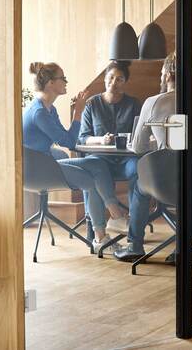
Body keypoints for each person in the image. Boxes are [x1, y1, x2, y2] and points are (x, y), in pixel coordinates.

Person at [114, 52, 192, 262]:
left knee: (138, 184)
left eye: (161, 72)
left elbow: (138, 148)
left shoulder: (153, 102)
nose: (160, 77)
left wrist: (160, 142)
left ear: (169, 74)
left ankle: (135, 246)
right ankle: (184, 247)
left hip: (165, 182)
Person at [22, 62, 127, 253]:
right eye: (63, 78)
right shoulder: (39, 112)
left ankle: (116, 217)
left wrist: (78, 116)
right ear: (50, 83)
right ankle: (101, 236)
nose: (66, 82)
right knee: (92, 180)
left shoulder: (49, 109)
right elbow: (70, 142)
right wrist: (78, 111)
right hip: (37, 171)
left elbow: (68, 137)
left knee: (96, 163)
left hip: (47, 163)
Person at [76, 61, 142, 250]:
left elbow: (140, 135)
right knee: (95, 173)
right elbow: (83, 138)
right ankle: (107, 227)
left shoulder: (134, 104)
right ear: (105, 79)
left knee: (138, 170)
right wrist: (100, 140)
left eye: (119, 79)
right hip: (100, 158)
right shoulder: (92, 104)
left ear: (125, 82)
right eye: (111, 78)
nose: (114, 82)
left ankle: (135, 230)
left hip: (126, 159)